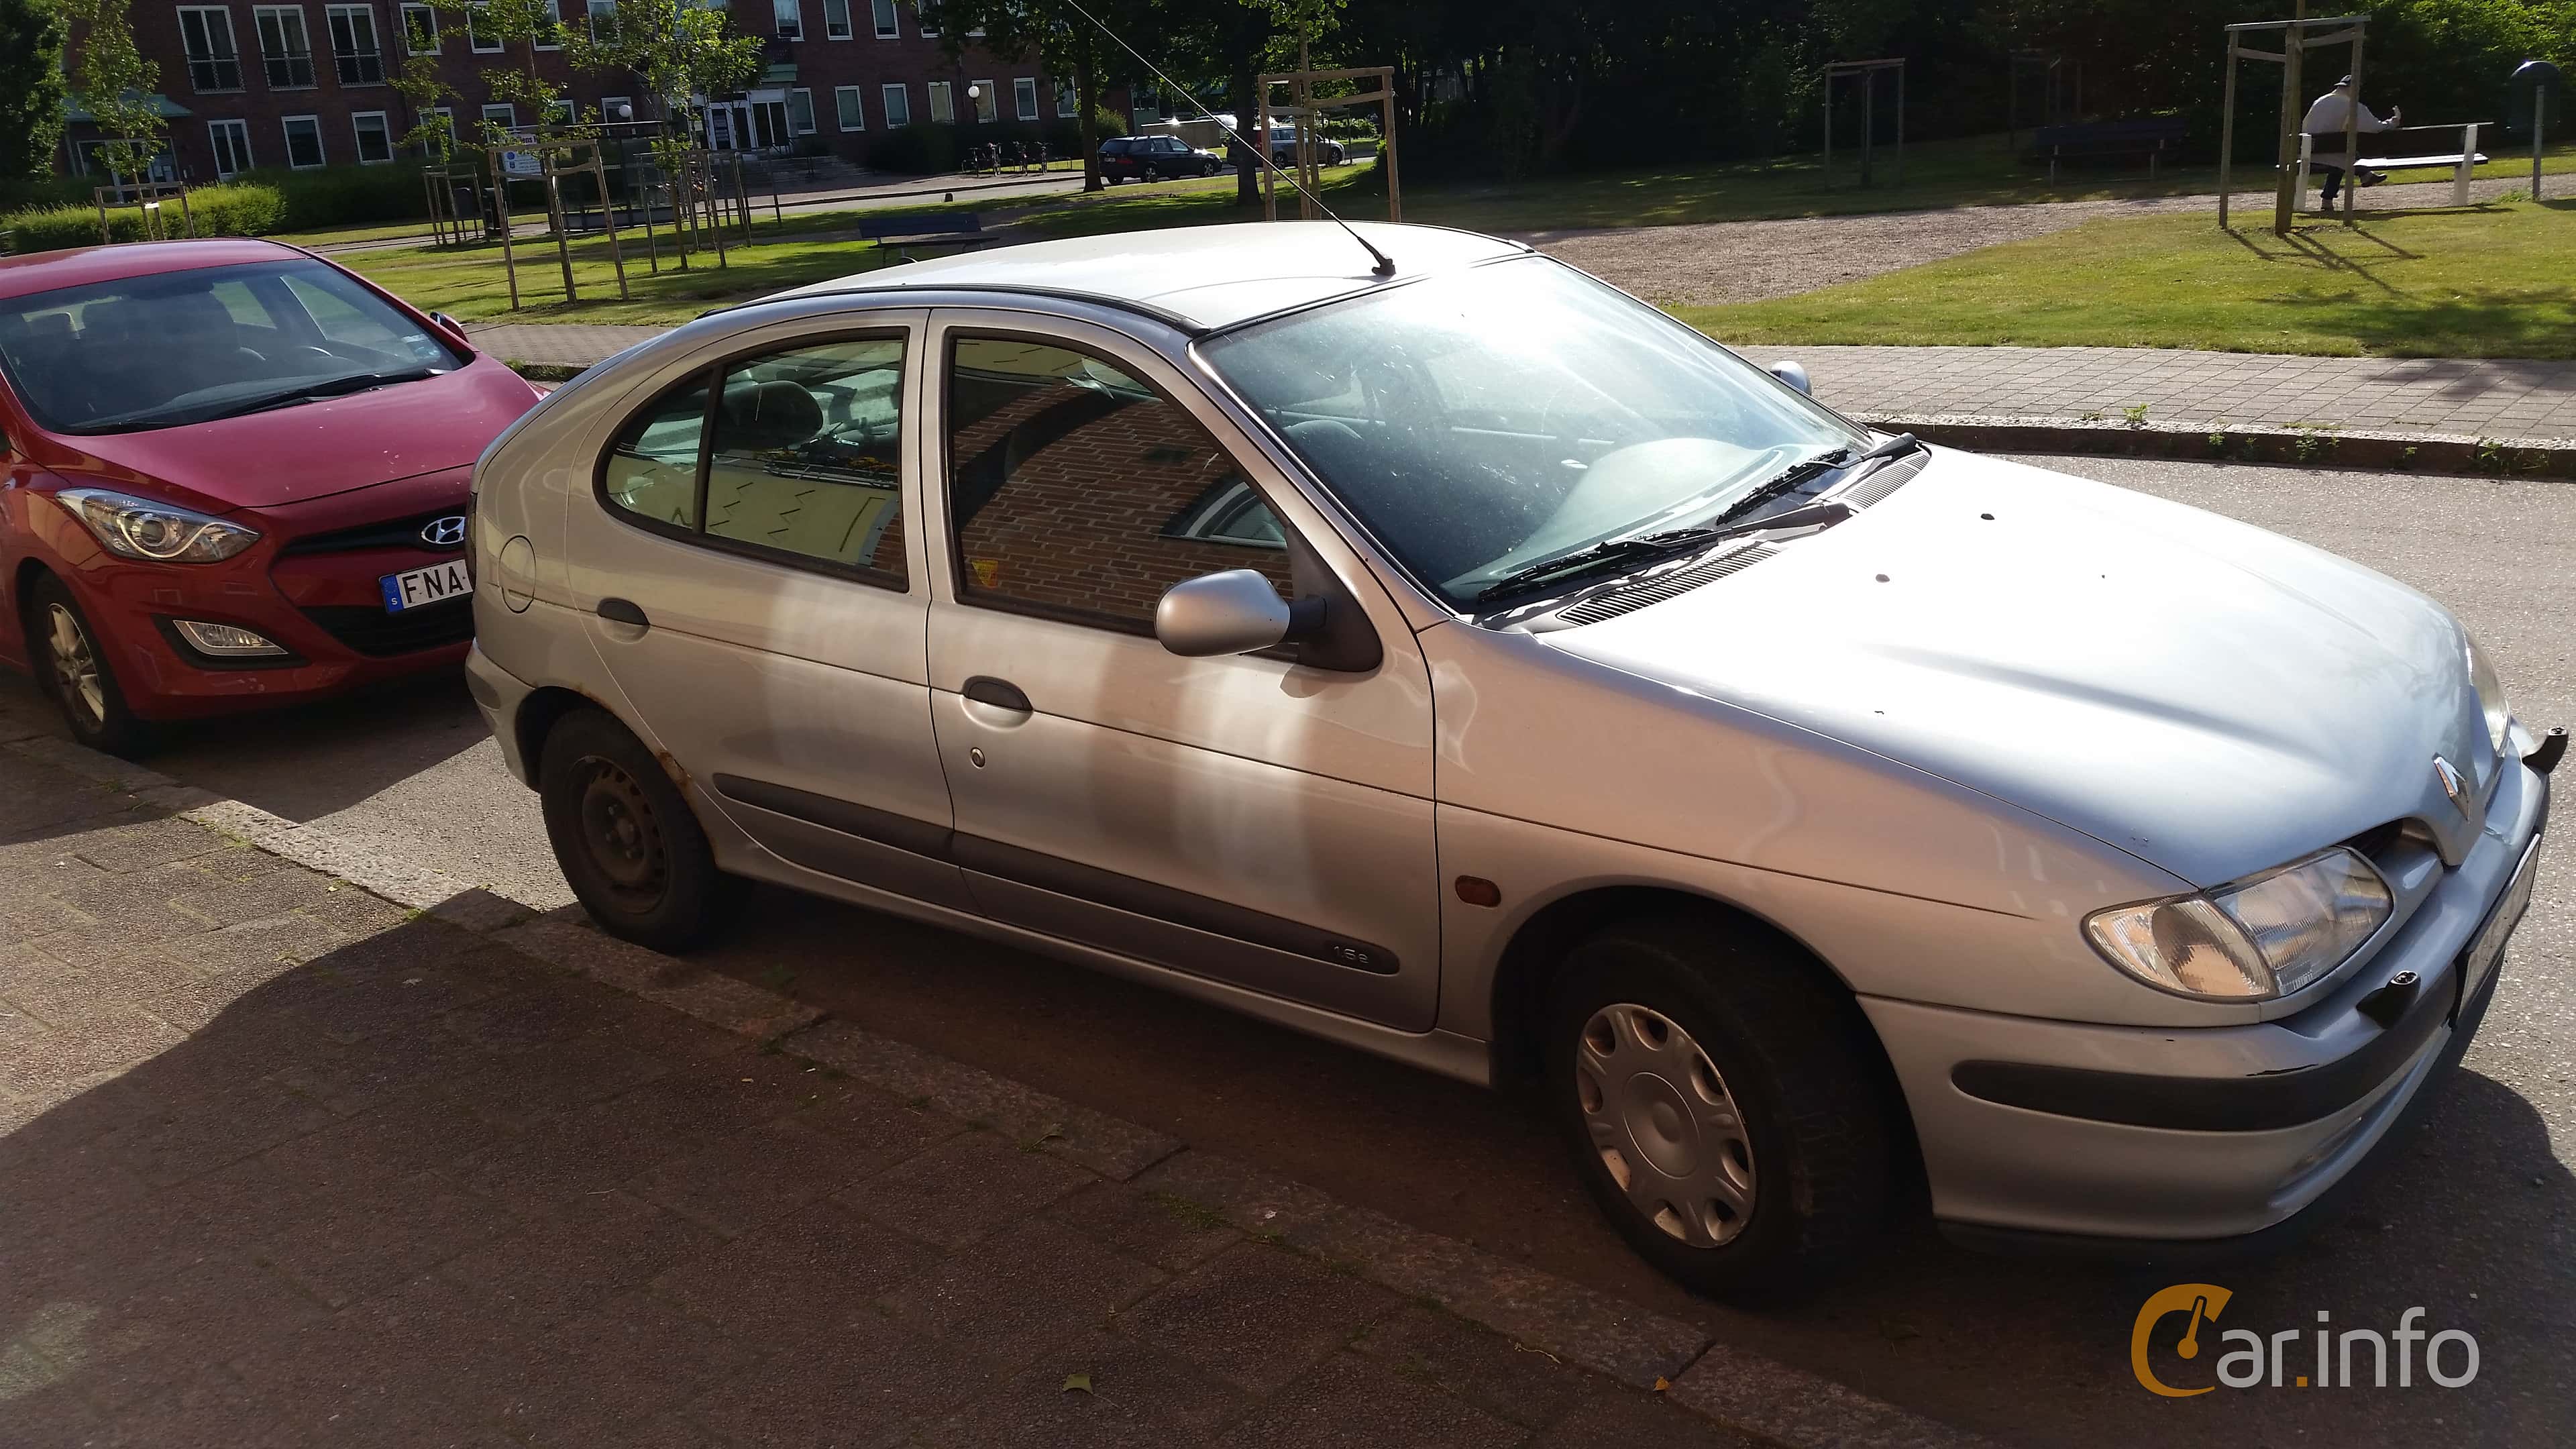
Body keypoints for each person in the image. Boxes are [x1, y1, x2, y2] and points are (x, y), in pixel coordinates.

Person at [2302, 75, 2400, 208]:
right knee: (2342, 156)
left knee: (2340, 154)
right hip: (2334, 154)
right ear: (2353, 89)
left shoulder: (2319, 101)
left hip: (2309, 152)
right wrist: (2393, 122)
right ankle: (2365, 174)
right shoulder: (2353, 106)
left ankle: (2330, 199)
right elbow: (2374, 128)